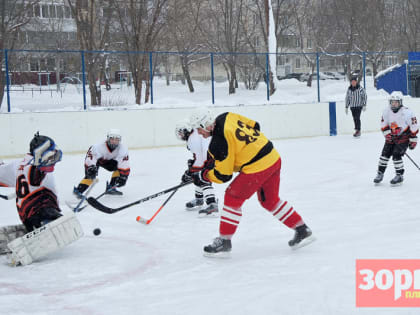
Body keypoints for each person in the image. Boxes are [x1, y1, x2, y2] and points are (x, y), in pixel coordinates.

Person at [188, 108, 314, 257]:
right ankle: (302, 229)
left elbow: (223, 175)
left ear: (206, 125)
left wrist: (204, 176)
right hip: (272, 157)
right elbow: (255, 125)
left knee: (232, 197)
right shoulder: (227, 116)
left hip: (257, 167)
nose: (199, 133)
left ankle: (224, 241)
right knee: (270, 200)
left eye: (199, 128)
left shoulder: (218, 142)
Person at [175, 119, 219, 217]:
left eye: (181, 133)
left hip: (211, 159)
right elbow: (199, 156)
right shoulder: (195, 134)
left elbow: (200, 159)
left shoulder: (193, 138)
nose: (181, 136)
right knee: (198, 177)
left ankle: (212, 204)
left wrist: (190, 172)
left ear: (186, 130)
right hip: (211, 157)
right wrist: (192, 169)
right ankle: (199, 199)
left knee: (203, 179)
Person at [373, 91, 418, 185]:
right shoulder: (386, 111)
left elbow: (414, 126)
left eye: (396, 102)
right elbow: (383, 124)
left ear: (400, 102)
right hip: (391, 137)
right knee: (384, 155)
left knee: (396, 155)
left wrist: (413, 140)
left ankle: (399, 175)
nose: (394, 104)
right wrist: (387, 134)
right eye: (392, 102)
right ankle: (380, 173)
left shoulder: (407, 112)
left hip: (404, 136)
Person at [73, 129, 130, 197]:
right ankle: (79, 190)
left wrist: (124, 176)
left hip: (110, 163)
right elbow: (91, 157)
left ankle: (112, 187)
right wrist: (90, 167)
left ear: (120, 140)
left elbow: (124, 164)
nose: (114, 142)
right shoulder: (98, 147)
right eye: (112, 139)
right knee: (91, 175)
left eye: (117, 139)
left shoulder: (123, 149)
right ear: (108, 139)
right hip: (97, 161)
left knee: (119, 169)